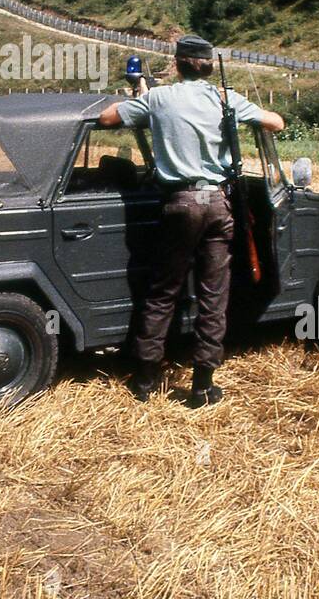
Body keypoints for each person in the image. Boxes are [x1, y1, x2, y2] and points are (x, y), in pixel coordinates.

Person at [98, 35, 285, 407]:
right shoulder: (224, 99)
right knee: (214, 295)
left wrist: (142, 95)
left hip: (180, 203)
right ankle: (202, 384)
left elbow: (107, 118)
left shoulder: (160, 98)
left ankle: (146, 380)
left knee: (163, 291)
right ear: (209, 67)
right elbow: (276, 123)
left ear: (178, 63)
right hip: (218, 203)